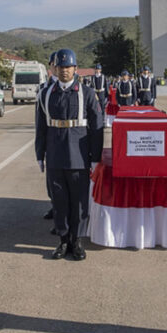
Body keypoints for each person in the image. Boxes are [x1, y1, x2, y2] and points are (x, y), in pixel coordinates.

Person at [35, 49, 104, 260]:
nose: (64, 71)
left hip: (79, 157)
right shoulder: (45, 94)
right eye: (60, 67)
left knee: (79, 203)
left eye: (68, 67)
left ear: (75, 69)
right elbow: (41, 127)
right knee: (60, 201)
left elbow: (97, 127)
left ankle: (76, 241)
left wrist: (95, 158)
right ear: (54, 69)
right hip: (56, 156)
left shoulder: (87, 93)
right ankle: (63, 241)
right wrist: (40, 154)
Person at [38, 52, 58, 224]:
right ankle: (54, 206)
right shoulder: (44, 88)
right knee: (51, 181)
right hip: (51, 138)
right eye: (53, 64)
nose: (56, 67)